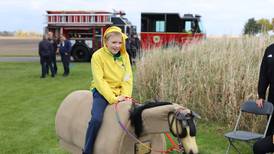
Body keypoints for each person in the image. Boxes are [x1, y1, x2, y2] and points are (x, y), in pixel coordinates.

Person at [83, 26, 133, 154]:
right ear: (106, 42)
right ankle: (87, 150)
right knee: (96, 119)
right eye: (114, 42)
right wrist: (113, 99)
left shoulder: (124, 55)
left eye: (120, 42)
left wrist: (126, 96)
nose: (117, 46)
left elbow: (127, 78)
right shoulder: (97, 56)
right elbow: (100, 81)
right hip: (102, 92)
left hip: (121, 93)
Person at [256, 43, 274, 136]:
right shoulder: (269, 50)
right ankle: (271, 147)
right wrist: (261, 95)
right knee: (271, 125)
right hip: (272, 95)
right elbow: (263, 74)